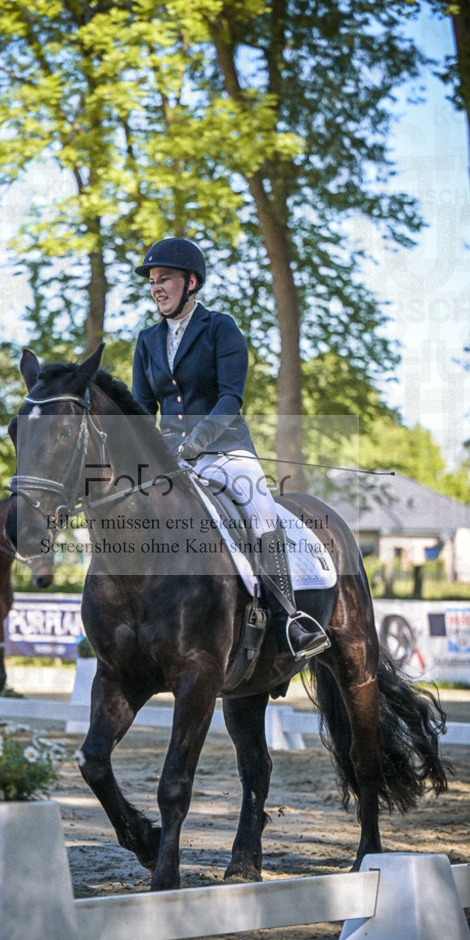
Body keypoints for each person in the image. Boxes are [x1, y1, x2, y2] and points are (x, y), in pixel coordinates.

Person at [132, 238, 328, 660]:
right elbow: (141, 409)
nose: (156, 288)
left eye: (164, 279)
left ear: (191, 281)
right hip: (170, 458)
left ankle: (288, 617)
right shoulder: (147, 340)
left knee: (258, 506)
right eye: (152, 281)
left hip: (224, 451)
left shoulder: (220, 327)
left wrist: (194, 442)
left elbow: (229, 398)